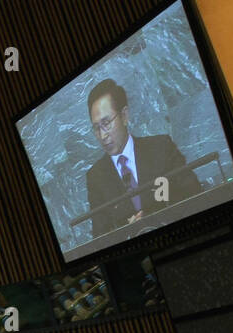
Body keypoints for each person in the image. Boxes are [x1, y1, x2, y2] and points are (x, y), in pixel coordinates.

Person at [83, 78, 202, 238]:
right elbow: (101, 236)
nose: (103, 135)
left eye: (106, 123)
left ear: (124, 116)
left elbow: (194, 195)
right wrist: (127, 233)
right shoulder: (96, 177)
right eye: (96, 128)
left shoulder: (161, 148)